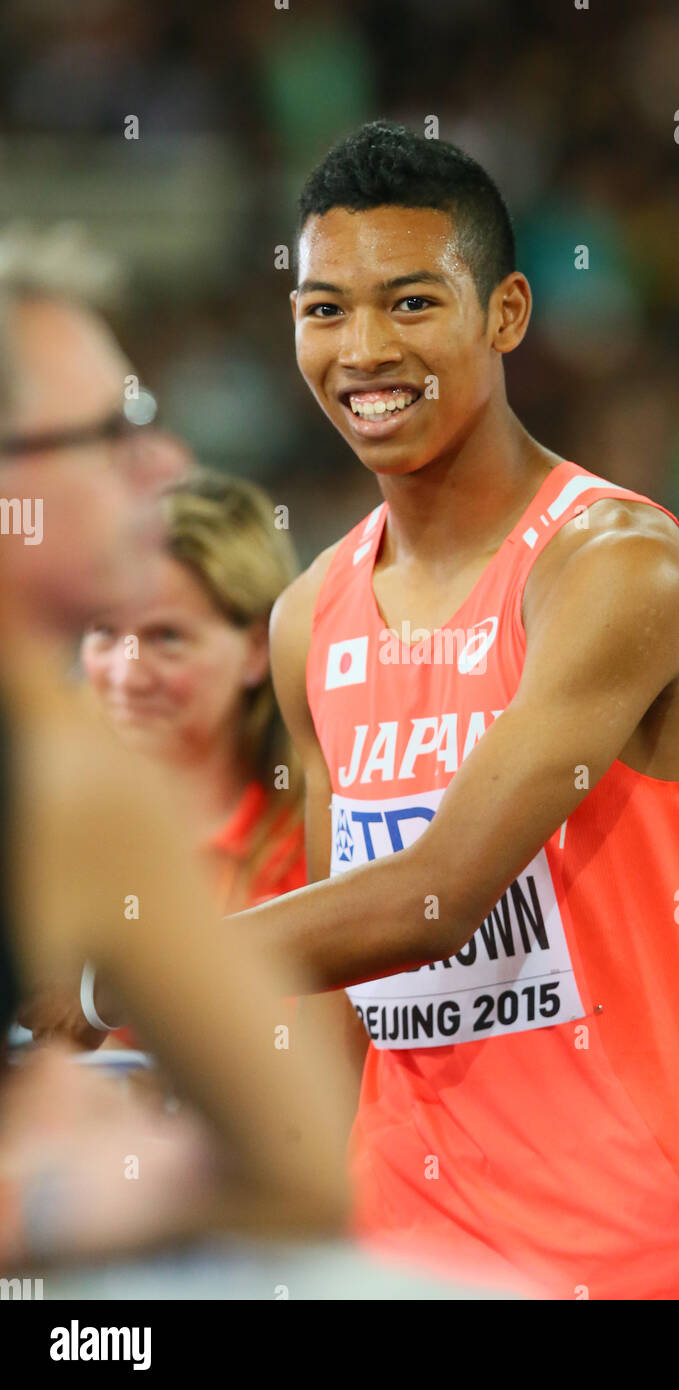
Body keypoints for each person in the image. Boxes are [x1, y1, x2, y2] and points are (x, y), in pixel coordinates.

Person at [227, 121, 679, 1300]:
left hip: (643, 1256)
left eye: (410, 302)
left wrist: (118, 970)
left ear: (507, 314)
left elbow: (431, 898)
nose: (363, 350)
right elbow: (343, 958)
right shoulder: (307, 618)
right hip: (398, 1255)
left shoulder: (615, 566)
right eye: (323, 310)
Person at [0, 225, 350, 1264]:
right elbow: (292, 1168)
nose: (165, 461)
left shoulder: (78, 777)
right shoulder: (72, 779)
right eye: (110, 433)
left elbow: (301, 1157)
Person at [81, 471, 306, 919]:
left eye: (167, 637)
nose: (127, 677)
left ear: (259, 648)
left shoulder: (325, 848)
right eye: (105, 632)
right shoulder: (44, 836)